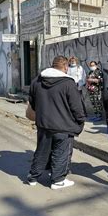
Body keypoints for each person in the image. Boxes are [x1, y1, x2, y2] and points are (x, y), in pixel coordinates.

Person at [26, 56, 85, 190]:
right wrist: (80, 121)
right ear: (65, 67)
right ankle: (57, 180)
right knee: (61, 152)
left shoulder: (37, 81)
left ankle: (33, 176)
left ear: (52, 65)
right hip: (63, 125)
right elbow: (76, 106)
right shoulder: (68, 83)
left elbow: (32, 102)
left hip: (43, 124)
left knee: (41, 151)